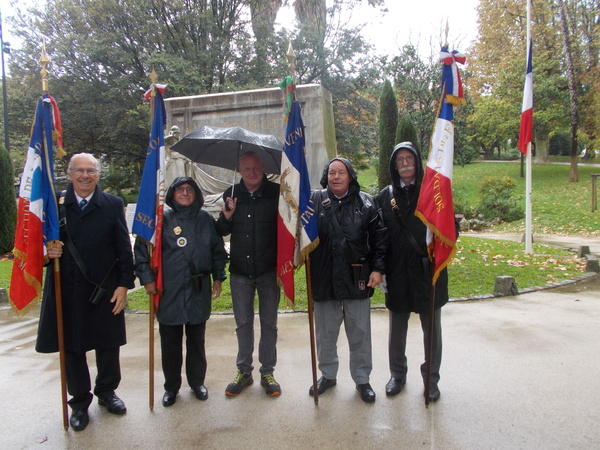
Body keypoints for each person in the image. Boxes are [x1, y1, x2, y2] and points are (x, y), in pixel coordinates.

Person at [36, 153, 135, 431]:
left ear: (98, 175)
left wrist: (124, 284)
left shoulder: (112, 204)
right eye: (79, 170)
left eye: (90, 171)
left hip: (105, 288)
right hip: (66, 289)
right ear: (69, 174)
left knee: (108, 345)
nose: (84, 176)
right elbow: (34, 243)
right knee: (72, 348)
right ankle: (79, 403)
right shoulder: (53, 204)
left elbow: (123, 249)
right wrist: (46, 252)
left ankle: (106, 392)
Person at [134, 177, 228, 407]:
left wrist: (218, 278)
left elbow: (217, 250)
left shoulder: (205, 219)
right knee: (170, 343)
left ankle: (197, 383)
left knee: (197, 341)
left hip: (198, 290)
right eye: (180, 189)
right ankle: (171, 387)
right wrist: (147, 280)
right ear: (172, 194)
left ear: (196, 193)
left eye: (189, 189)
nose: (185, 193)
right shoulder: (159, 220)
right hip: (169, 291)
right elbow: (142, 253)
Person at [308, 157, 387, 403]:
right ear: (326, 176)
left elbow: (380, 241)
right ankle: (328, 375)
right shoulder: (313, 201)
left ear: (350, 176)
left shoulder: (367, 203)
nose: (336, 177)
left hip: (358, 277)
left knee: (360, 332)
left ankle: (362, 379)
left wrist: (377, 269)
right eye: (332, 172)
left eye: (341, 172)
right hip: (323, 277)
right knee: (325, 333)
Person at [377, 141, 450, 403]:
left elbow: (450, 228)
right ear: (394, 165)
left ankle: (431, 379)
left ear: (417, 162)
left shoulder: (434, 193)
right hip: (397, 272)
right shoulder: (385, 197)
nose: (405, 163)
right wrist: (380, 269)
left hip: (428, 271)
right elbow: (378, 236)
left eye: (409, 158)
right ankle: (397, 374)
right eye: (400, 160)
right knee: (397, 329)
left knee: (432, 330)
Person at [215, 151, 281, 397]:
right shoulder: (231, 194)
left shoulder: (276, 192)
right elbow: (220, 230)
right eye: (246, 169)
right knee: (243, 323)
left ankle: (267, 372)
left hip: (269, 269)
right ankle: (244, 371)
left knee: (269, 324)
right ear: (239, 170)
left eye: (256, 168)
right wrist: (227, 215)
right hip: (240, 270)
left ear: (263, 168)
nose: (251, 173)